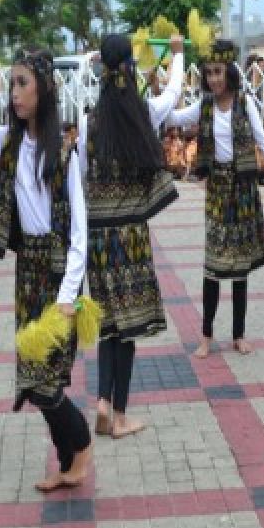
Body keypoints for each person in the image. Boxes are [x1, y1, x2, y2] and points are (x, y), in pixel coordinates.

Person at [0, 24, 92, 493]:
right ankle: (68, 461)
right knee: (34, 379)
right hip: (27, 272)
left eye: (23, 82)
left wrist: (69, 296)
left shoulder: (66, 152)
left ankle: (81, 448)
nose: (15, 92)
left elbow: (80, 233)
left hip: (58, 279)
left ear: (44, 88)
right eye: (13, 83)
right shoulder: (8, 143)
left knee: (46, 380)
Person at [78, 33, 184, 441]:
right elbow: (172, 94)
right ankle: (119, 414)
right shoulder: (143, 113)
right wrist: (177, 55)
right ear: (129, 68)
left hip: (99, 238)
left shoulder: (91, 122)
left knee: (108, 325)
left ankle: (101, 402)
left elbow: (83, 177)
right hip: (132, 237)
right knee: (131, 327)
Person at [165, 39, 264, 357]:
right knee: (213, 267)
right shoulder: (205, 104)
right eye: (208, 73)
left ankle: (238, 334)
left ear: (230, 73)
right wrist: (164, 85)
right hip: (218, 191)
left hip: (244, 191)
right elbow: (173, 119)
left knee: (240, 269)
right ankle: (206, 335)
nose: (213, 79)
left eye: (218, 72)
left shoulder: (244, 103)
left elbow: (263, 142)